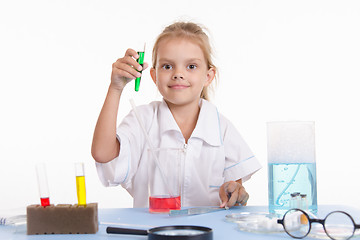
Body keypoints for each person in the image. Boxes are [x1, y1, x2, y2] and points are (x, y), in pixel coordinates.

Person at [91, 21, 261, 208]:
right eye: (167, 66)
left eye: (191, 66)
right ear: (154, 76)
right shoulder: (142, 119)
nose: (178, 73)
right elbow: (102, 154)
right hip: (152, 232)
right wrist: (116, 88)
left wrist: (234, 191)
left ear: (208, 76)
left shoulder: (222, 128)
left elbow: (235, 190)